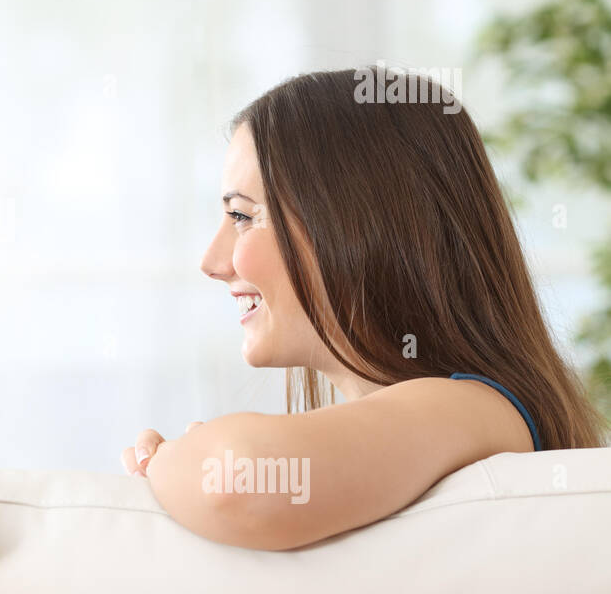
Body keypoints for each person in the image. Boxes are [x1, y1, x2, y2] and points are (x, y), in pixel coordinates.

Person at [122, 66, 607, 550]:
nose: (212, 261)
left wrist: (168, 460)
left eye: (243, 216)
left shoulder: (478, 410)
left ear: (353, 224)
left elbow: (237, 479)